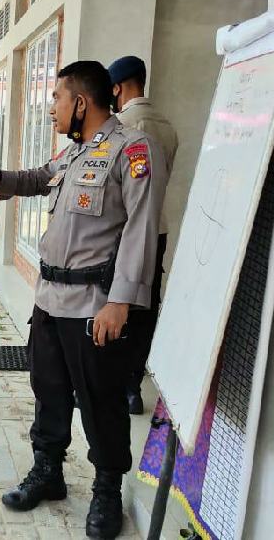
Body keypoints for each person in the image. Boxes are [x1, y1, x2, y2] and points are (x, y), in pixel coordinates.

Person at [0, 61, 168, 539]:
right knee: (48, 390)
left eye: (55, 97)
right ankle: (48, 471)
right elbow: (38, 176)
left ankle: (107, 491)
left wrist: (120, 302)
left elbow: (141, 230)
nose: (50, 107)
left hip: (94, 305)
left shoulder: (132, 150)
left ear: (80, 102)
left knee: (100, 401)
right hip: (50, 300)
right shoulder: (76, 154)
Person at [108, 55, 180, 415]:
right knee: (146, 308)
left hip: (123, 233)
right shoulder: (167, 127)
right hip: (159, 230)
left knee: (115, 305)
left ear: (117, 88)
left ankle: (109, 383)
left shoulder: (120, 126)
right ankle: (133, 387)